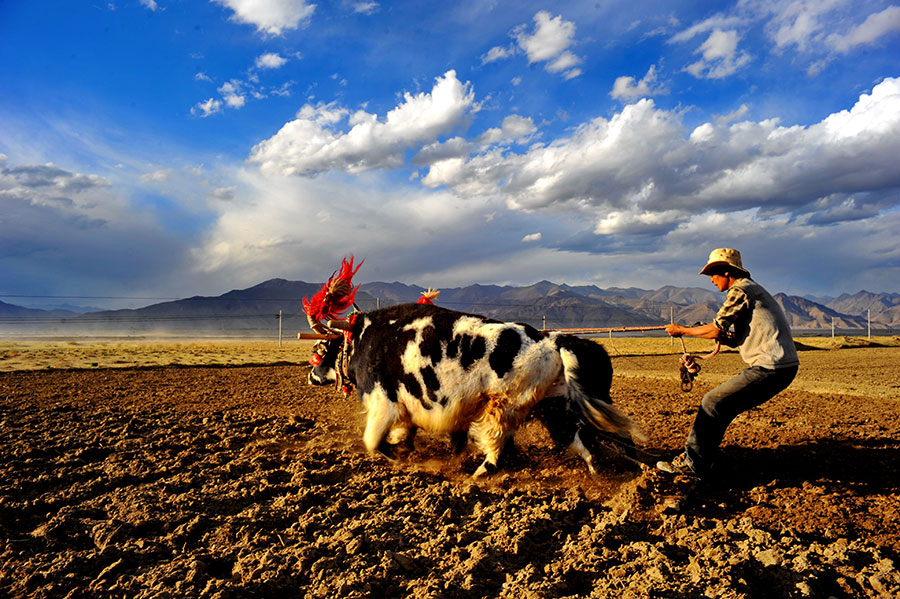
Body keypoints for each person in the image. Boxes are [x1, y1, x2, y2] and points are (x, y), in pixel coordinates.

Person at [657, 248, 799, 478]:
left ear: (726, 272)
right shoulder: (752, 290)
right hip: (781, 367)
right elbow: (733, 337)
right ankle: (704, 459)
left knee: (712, 402)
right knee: (722, 408)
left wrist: (681, 330)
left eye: (713, 274)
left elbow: (715, 328)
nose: (711, 280)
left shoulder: (740, 290)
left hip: (771, 367)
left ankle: (693, 463)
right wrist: (718, 336)